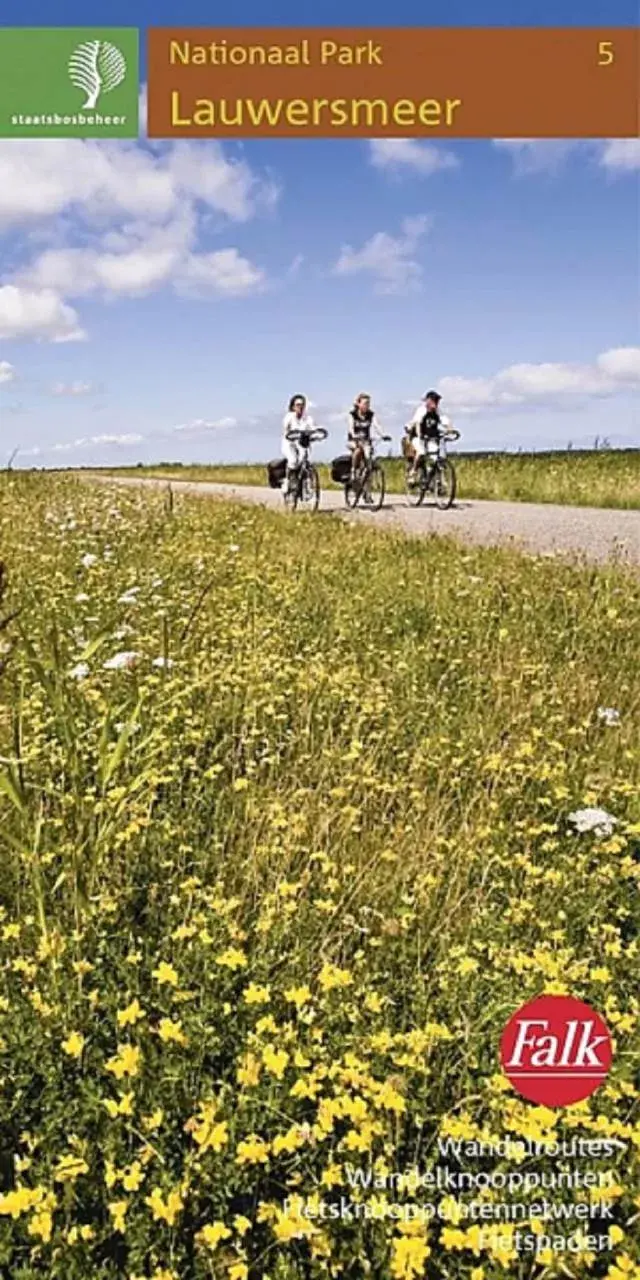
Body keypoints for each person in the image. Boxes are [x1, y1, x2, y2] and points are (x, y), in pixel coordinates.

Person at [405, 390, 453, 482]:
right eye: (434, 400)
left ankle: (434, 478)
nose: (436, 403)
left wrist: (451, 430)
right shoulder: (422, 410)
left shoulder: (437, 411)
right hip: (417, 436)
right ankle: (413, 472)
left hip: (431, 437)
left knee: (435, 456)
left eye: (437, 401)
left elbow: (445, 421)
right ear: (428, 401)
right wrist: (420, 435)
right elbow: (417, 424)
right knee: (421, 452)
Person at [347, 393, 387, 503]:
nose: (366, 406)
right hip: (354, 441)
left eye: (368, 404)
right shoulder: (352, 415)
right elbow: (350, 428)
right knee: (358, 450)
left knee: (369, 466)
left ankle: (368, 494)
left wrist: (382, 435)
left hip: (366, 441)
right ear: (358, 404)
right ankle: (353, 470)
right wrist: (354, 435)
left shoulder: (371, 415)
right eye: (364, 403)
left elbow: (377, 425)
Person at [281, 394, 316, 492]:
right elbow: (286, 430)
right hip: (289, 443)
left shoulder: (308, 418)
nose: (300, 407)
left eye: (302, 405)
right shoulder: (289, 417)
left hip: (302, 443)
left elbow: (312, 429)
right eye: (298, 405)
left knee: (303, 458)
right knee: (293, 460)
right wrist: (290, 434)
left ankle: (305, 482)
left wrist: (314, 435)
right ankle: (287, 480)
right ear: (293, 407)